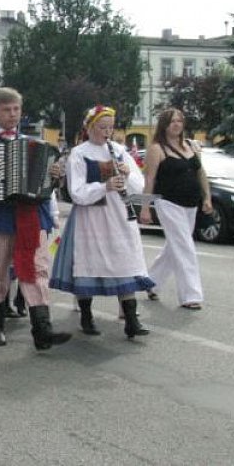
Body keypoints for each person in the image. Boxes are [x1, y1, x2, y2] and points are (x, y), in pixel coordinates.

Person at [0, 87, 71, 350]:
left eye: (16, 109)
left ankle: (42, 330)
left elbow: (46, 184)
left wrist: (54, 174)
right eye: (7, 110)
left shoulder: (33, 142)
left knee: (37, 270)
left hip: (32, 216)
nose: (12, 114)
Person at [50, 105, 154, 338]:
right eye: (102, 127)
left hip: (118, 216)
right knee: (88, 264)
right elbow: (77, 192)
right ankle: (86, 316)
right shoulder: (79, 153)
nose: (107, 132)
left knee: (125, 262)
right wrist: (104, 186)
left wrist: (127, 174)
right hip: (91, 218)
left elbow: (138, 186)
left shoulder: (119, 150)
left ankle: (131, 320)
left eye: (110, 127)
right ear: (89, 128)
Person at [140, 108, 212, 309]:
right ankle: (191, 295)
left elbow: (201, 173)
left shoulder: (190, 145)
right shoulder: (157, 149)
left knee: (175, 246)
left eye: (180, 121)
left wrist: (207, 197)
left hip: (191, 203)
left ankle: (151, 282)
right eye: (172, 121)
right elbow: (150, 179)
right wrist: (145, 207)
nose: (177, 124)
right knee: (185, 247)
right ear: (164, 125)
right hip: (168, 203)